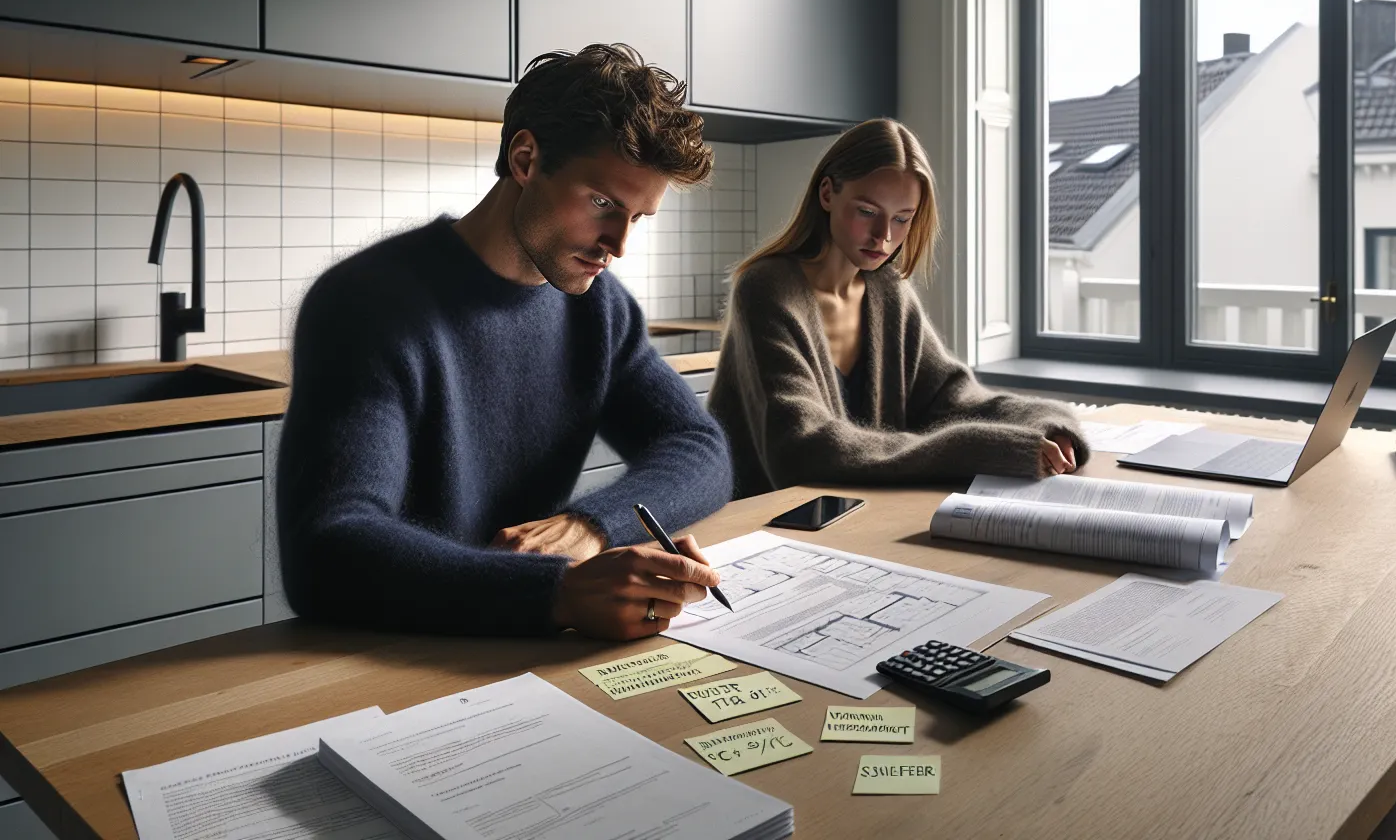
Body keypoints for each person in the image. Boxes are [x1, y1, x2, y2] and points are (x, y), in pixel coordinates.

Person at [278, 44, 729, 641]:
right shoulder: (367, 303)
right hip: (390, 650)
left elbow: (700, 448)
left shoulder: (601, 309)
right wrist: (559, 594)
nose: (617, 244)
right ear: (525, 159)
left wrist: (593, 526)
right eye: (602, 204)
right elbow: (329, 549)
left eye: (637, 218)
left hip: (525, 647)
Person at [708, 118, 1088, 497]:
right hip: (764, 527)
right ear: (827, 193)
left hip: (860, 515)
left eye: (903, 219)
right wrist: (986, 451)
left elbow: (953, 398)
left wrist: (1046, 423)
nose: (884, 236)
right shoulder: (765, 289)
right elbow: (804, 449)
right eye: (867, 212)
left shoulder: (888, 290)